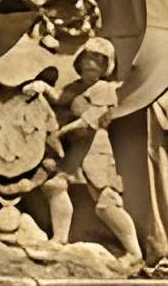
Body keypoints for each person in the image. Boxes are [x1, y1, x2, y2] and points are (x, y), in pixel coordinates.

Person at [45, 37, 141, 263]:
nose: (91, 65)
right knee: (55, 185)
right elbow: (61, 98)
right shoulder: (77, 88)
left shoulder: (105, 89)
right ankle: (59, 239)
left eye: (98, 61)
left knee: (106, 202)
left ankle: (134, 253)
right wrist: (41, 88)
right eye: (88, 59)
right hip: (78, 148)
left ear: (106, 66)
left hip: (96, 148)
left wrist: (61, 132)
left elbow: (89, 120)